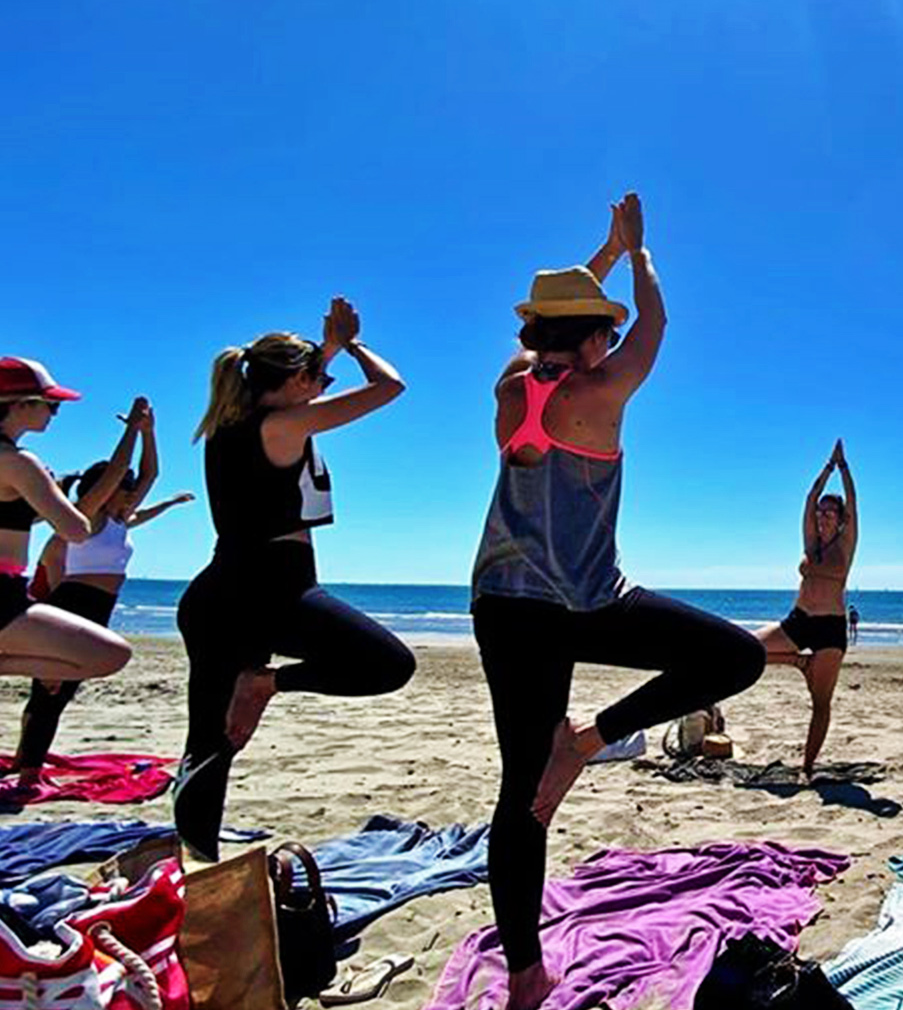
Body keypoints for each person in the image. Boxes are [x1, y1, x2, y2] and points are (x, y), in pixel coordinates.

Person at [472, 195, 765, 1010]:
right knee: (735, 657)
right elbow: (659, 324)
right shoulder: (599, 394)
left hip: (502, 603)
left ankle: (524, 976)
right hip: (586, 604)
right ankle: (591, 740)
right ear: (591, 337)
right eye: (602, 325)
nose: (612, 334)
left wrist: (598, 257)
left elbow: (546, 329)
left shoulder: (511, 390)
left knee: (519, 793)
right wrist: (639, 254)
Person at [174, 299, 416, 860]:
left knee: (210, 743)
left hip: (223, 593)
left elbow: (291, 376)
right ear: (297, 381)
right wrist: (353, 347)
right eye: (318, 378)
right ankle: (265, 684)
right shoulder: (283, 423)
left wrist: (324, 349)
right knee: (389, 664)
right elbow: (390, 387)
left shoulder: (238, 423)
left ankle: (197, 862)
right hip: (268, 590)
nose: (323, 385)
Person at [9, 408, 192, 793]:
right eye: (122, 487)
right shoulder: (86, 517)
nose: (129, 489)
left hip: (100, 608)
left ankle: (29, 764)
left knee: (62, 687)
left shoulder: (120, 521)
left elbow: (149, 475)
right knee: (51, 691)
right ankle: (27, 774)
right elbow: (117, 472)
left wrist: (150, 432)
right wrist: (129, 433)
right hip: (71, 603)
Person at [0, 360, 136, 777]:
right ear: (17, 405)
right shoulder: (19, 462)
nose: (54, 414)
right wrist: (53, 491)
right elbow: (76, 529)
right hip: (3, 593)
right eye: (49, 405)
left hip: (10, 590)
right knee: (110, 655)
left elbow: (20, 518)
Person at [756, 439, 857, 780]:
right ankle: (799, 661)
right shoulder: (809, 543)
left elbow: (853, 502)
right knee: (746, 651)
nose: (824, 514)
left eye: (832, 511)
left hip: (830, 628)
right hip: (798, 621)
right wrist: (826, 467)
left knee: (821, 703)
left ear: (841, 519)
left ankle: (808, 768)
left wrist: (843, 469)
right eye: (822, 511)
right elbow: (809, 498)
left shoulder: (845, 544)